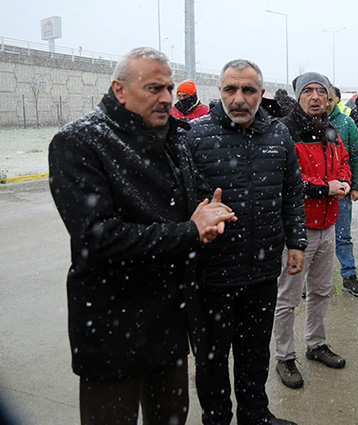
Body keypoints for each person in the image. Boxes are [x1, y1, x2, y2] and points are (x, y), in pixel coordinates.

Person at [48, 47, 235, 425]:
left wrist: (211, 215)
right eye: (153, 88)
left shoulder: (172, 137)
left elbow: (196, 199)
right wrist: (189, 231)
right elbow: (99, 238)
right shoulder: (79, 141)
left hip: (170, 322)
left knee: (171, 417)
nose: (166, 97)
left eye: (169, 88)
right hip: (112, 327)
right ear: (119, 89)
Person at [187, 59, 304, 425]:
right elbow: (181, 203)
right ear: (219, 91)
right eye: (230, 89)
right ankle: (217, 419)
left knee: (254, 353)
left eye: (248, 90)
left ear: (261, 93)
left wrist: (297, 241)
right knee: (212, 358)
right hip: (212, 276)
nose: (239, 99)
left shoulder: (279, 135)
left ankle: (255, 415)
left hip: (262, 272)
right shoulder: (195, 136)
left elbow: (292, 191)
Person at [273, 72, 351, 389]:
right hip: (297, 229)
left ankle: (316, 344)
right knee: (288, 297)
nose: (316, 96)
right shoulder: (284, 131)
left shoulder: (331, 130)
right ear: (298, 97)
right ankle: (284, 356)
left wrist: (344, 181)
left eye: (321, 91)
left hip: (327, 225)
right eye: (308, 91)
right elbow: (286, 179)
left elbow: (344, 161)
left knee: (321, 290)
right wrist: (324, 188)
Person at [328, 85, 358, 297]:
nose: (325, 103)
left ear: (336, 99)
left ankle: (349, 275)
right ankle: (312, 279)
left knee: (342, 236)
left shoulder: (345, 123)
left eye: (330, 98)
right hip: (313, 194)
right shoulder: (305, 124)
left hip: (341, 191)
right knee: (312, 240)